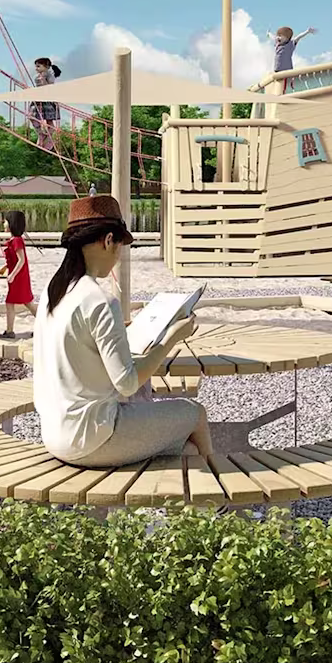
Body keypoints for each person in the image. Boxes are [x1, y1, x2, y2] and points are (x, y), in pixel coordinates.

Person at [33, 195, 215, 468]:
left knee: (188, 450)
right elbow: (127, 383)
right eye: (120, 246)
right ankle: (221, 484)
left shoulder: (53, 292)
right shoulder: (100, 300)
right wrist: (171, 338)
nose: (119, 255)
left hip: (55, 434)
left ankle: (207, 487)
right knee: (196, 414)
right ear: (108, 240)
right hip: (92, 437)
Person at [0, 210, 34, 340]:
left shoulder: (17, 241)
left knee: (15, 302)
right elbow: (15, 260)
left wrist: (13, 274)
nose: (4, 223)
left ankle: (10, 331)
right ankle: (10, 330)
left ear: (12, 224)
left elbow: (21, 260)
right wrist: (5, 268)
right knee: (26, 302)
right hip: (18, 276)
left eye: (6, 221)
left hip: (19, 277)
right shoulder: (15, 240)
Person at [27, 58, 62, 150]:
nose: (36, 68)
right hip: (38, 99)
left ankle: (49, 140)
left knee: (49, 121)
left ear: (46, 66)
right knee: (32, 117)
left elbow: (49, 87)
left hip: (47, 100)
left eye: (38, 66)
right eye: (36, 66)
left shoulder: (50, 75)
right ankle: (41, 135)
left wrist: (43, 79)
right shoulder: (37, 76)